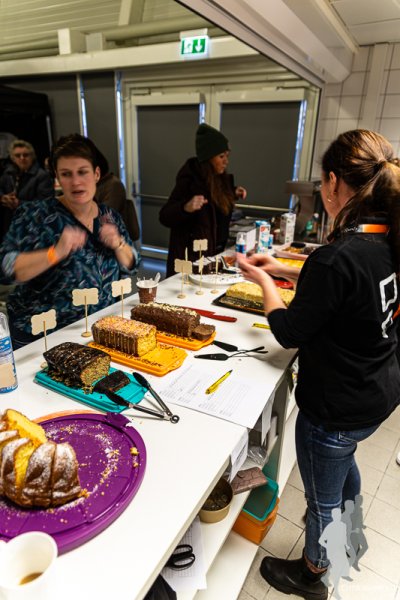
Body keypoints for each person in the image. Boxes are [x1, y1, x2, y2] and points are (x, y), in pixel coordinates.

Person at [237, 129, 400, 600]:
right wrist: (285, 268)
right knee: (344, 469)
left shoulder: (338, 257)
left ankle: (314, 574)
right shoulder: (386, 237)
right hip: (376, 392)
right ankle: (348, 538)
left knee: (322, 499)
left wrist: (266, 283)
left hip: (334, 408)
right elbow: (349, 283)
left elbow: (289, 331)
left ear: (333, 183)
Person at [0, 133, 138, 349]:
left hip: (99, 327)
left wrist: (119, 245)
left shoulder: (109, 216)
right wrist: (55, 252)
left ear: (96, 174)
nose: (76, 182)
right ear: (57, 177)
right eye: (66, 174)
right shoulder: (35, 214)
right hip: (44, 336)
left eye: (82, 172)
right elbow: (6, 268)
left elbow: (132, 264)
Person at [159, 123, 247, 277]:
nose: (226, 161)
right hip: (190, 259)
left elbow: (214, 204)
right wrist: (185, 208)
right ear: (208, 158)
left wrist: (232, 193)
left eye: (227, 155)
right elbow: (165, 216)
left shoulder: (220, 179)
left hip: (214, 254)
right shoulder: (190, 180)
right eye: (221, 156)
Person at [0, 140, 54, 244]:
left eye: (25, 155)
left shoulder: (42, 176)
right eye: (17, 155)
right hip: (10, 224)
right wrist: (2, 197)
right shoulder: (8, 174)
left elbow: (46, 203)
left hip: (33, 226)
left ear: (32, 156)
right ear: (12, 158)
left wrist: (19, 204)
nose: (22, 158)